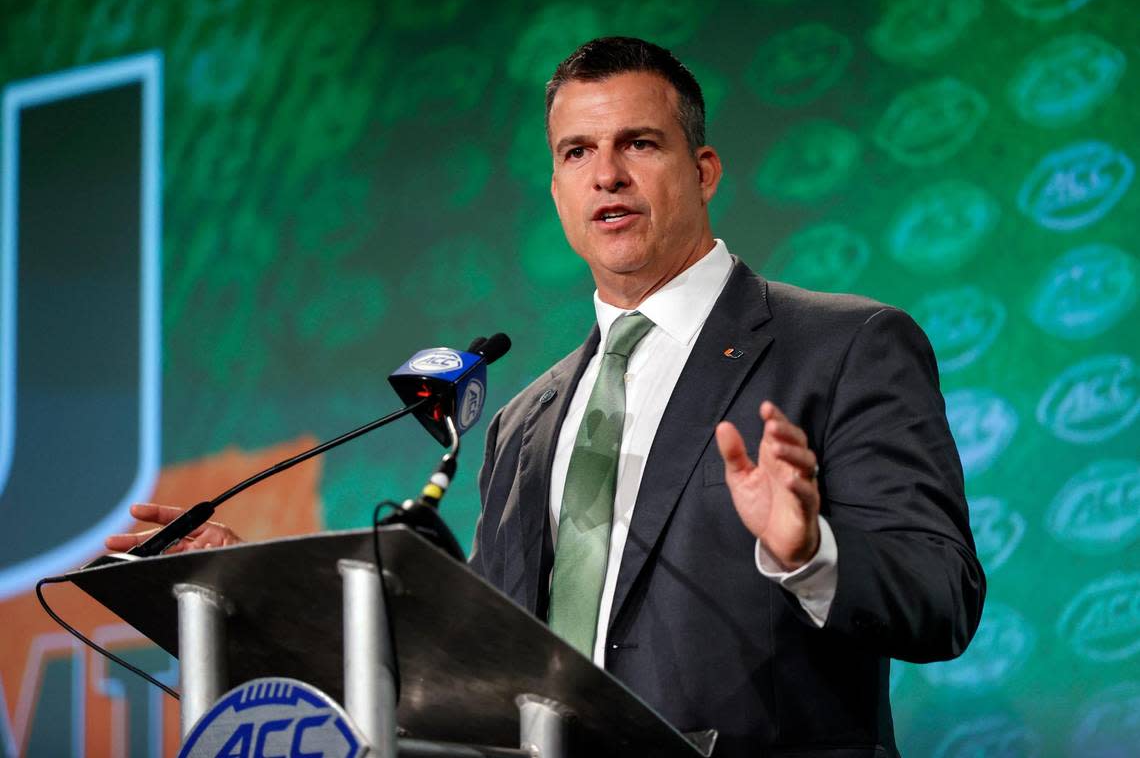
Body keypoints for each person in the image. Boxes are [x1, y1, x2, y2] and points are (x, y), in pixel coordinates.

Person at [110, 37, 984, 757]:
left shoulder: (842, 345)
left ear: (705, 168)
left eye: (638, 143)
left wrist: (809, 552)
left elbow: (941, 596)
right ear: (558, 188)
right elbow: (471, 665)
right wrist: (254, 589)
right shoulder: (525, 421)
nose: (607, 174)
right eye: (577, 152)